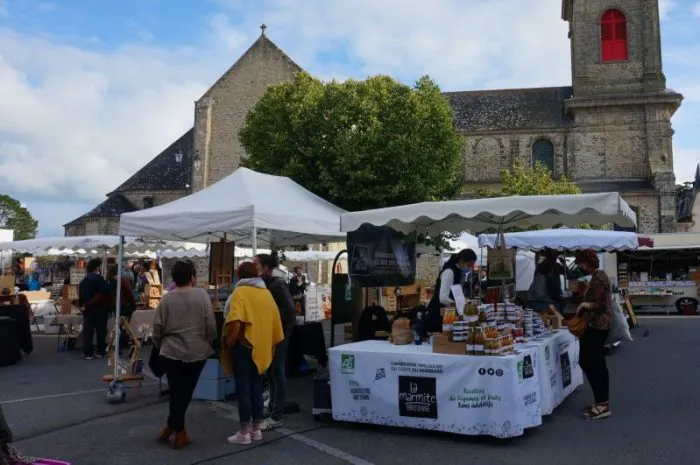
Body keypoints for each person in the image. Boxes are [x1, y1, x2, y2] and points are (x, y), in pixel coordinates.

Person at [153, 260, 216, 449]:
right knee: (185, 392)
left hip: (171, 351)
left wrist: (159, 344)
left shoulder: (167, 298)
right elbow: (210, 324)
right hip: (197, 351)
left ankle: (172, 427)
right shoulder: (201, 295)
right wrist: (211, 339)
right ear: (192, 277)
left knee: (177, 391)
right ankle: (178, 432)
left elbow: (157, 328)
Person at [221, 261, 284, 445]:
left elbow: (235, 320)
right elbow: (275, 321)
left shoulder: (241, 292)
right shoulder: (265, 293)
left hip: (243, 346)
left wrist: (229, 341)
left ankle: (244, 432)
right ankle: (256, 429)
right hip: (261, 346)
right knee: (256, 387)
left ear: (240, 276)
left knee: (243, 388)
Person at [254, 253, 297, 431]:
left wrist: (282, 334)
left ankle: (276, 415)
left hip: (278, 336)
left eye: (255, 264)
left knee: (277, 374)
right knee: (271, 374)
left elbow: (290, 311)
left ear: (265, 268)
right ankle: (272, 409)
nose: (253, 267)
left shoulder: (277, 285)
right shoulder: (263, 285)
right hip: (269, 336)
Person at [575, 249, 613, 420]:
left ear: (587, 262)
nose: (581, 267)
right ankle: (601, 402)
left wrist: (584, 305)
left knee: (589, 362)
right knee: (596, 363)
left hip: (597, 325)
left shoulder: (598, 277)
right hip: (598, 325)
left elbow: (601, 304)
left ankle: (602, 404)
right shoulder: (598, 277)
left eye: (581, 263)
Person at [425, 249, 477, 333]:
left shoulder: (460, 272)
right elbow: (443, 298)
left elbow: (457, 292)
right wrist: (458, 304)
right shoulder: (449, 272)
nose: (470, 268)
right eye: (469, 264)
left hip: (448, 315)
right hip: (437, 316)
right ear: (462, 260)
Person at [78, 259, 109, 360]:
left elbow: (80, 297)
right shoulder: (100, 279)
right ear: (96, 268)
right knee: (101, 331)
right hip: (100, 309)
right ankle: (101, 351)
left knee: (88, 332)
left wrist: (84, 306)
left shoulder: (83, 281)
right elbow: (104, 293)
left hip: (87, 310)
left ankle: (88, 353)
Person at [106, 265, 137, 356]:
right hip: (124, 306)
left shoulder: (110, 280)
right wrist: (134, 304)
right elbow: (129, 293)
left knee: (119, 327)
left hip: (116, 306)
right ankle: (120, 348)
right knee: (124, 327)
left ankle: (118, 347)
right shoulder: (123, 280)